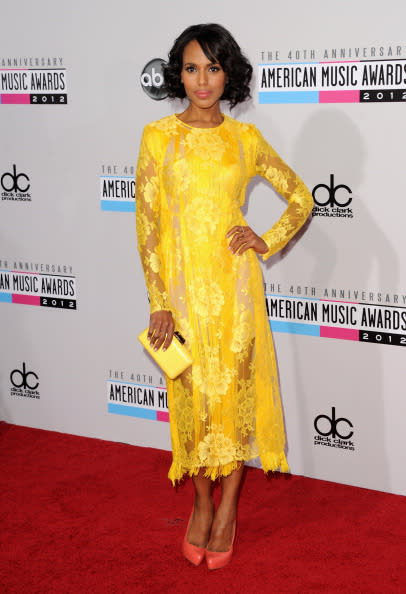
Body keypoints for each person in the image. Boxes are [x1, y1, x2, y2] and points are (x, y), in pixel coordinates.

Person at [136, 23, 314, 570]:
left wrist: (266, 239)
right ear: (178, 73)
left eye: (213, 68)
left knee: (233, 410)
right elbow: (147, 227)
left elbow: (300, 197)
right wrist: (159, 300)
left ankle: (229, 507)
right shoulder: (157, 136)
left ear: (228, 73)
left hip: (236, 293)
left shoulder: (245, 140)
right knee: (192, 402)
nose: (203, 80)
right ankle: (200, 503)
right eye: (192, 68)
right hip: (183, 298)